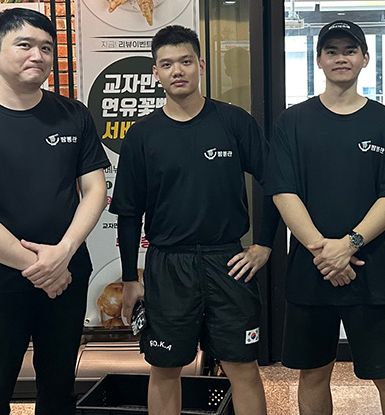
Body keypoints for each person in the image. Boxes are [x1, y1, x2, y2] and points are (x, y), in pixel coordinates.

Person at [0, 8, 110, 415]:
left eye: (46, 48)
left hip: (67, 275)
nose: (38, 55)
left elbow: (95, 190)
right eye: (25, 45)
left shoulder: (74, 114)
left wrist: (63, 253)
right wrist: (41, 267)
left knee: (59, 390)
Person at [113, 25, 276, 415]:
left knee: (243, 366)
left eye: (185, 61)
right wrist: (130, 279)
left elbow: (276, 183)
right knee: (165, 368)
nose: (178, 71)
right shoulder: (142, 135)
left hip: (228, 262)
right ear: (156, 72)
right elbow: (129, 212)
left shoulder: (233, 122)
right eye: (167, 64)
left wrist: (265, 245)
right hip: (169, 266)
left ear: (201, 65)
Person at [267, 20, 385, 415]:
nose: (341, 58)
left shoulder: (384, 122)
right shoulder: (293, 121)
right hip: (310, 270)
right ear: (318, 60)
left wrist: (348, 245)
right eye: (331, 51)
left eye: (350, 51)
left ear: (365, 58)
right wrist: (324, 252)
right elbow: (283, 191)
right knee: (313, 373)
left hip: (370, 270)